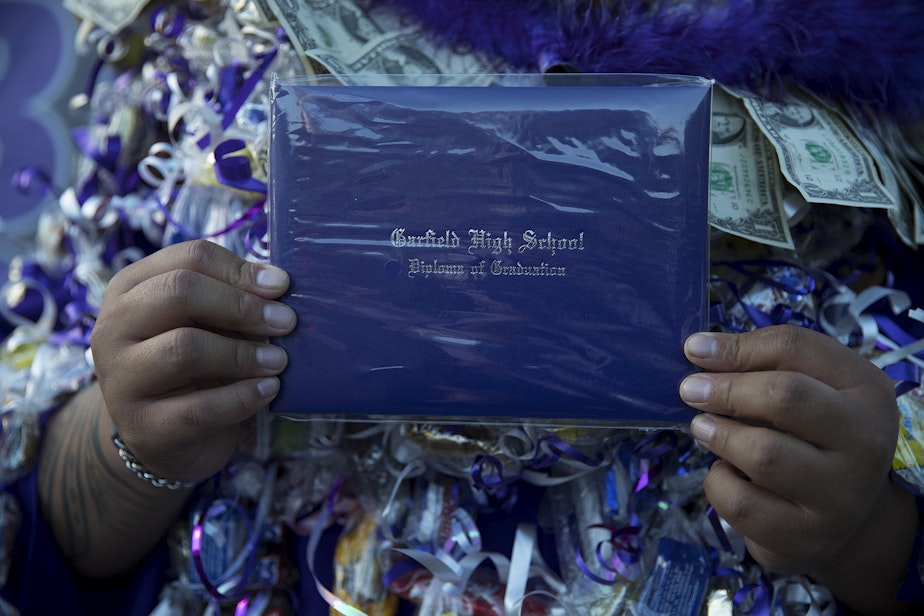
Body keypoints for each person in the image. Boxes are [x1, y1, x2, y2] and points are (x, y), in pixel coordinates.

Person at [2, 237, 913, 616]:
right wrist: (134, 442)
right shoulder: (209, 54)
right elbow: (50, 545)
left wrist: (861, 531)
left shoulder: (867, 117)